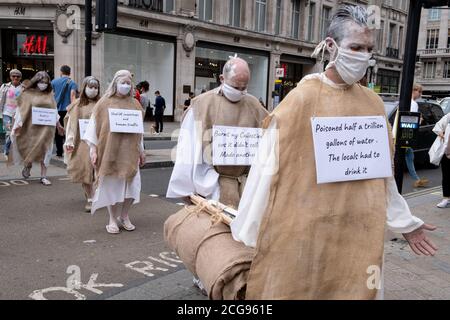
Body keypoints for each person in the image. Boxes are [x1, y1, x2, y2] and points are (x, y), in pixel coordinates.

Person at [230, 4, 437, 300]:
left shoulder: (373, 105)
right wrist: (251, 231)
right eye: (355, 46)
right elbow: (266, 173)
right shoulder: (299, 101)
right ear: (331, 46)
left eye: (368, 48)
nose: (363, 55)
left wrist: (406, 224)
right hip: (304, 237)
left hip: (358, 236)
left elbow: (383, 179)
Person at [166, 57, 269, 297]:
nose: (240, 91)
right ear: (222, 79)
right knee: (211, 234)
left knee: (243, 236)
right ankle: (203, 274)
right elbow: (188, 150)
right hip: (211, 180)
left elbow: (269, 142)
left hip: (245, 183)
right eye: (236, 85)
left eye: (245, 87)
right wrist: (189, 188)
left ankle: (237, 276)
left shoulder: (254, 105)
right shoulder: (202, 105)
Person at [83, 70, 146, 234]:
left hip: (130, 151)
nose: (125, 85)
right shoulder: (104, 103)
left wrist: (142, 151)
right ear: (115, 83)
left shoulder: (135, 105)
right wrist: (93, 149)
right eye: (122, 82)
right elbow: (93, 127)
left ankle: (124, 215)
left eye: (128, 83)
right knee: (112, 186)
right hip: (109, 150)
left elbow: (139, 131)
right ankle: (112, 218)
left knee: (132, 186)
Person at [11, 71, 63, 186]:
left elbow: (54, 111)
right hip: (32, 128)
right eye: (41, 82)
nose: (43, 84)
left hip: (47, 129)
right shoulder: (28, 94)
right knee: (32, 150)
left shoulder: (50, 95)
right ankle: (28, 165)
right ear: (36, 81)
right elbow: (22, 110)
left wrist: (58, 125)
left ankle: (43, 176)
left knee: (46, 151)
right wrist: (18, 124)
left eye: (45, 82)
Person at [64, 76, 101, 212]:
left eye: (96, 87)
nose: (93, 90)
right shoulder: (77, 104)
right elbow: (71, 124)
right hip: (82, 142)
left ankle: (96, 194)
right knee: (86, 169)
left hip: (99, 142)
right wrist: (70, 140)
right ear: (84, 87)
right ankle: (90, 197)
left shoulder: (102, 103)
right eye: (90, 87)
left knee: (98, 170)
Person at [51, 65, 78, 157]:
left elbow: (50, 95)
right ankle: (68, 152)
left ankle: (59, 152)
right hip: (67, 110)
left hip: (56, 110)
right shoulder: (72, 83)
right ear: (69, 73)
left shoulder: (53, 82)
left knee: (58, 131)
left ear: (61, 72)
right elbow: (72, 96)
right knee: (68, 130)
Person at [406, 84, 429, 188]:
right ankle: (417, 180)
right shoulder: (413, 104)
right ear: (414, 91)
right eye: (419, 92)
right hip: (407, 134)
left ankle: (417, 180)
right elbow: (411, 120)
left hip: (400, 133)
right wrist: (419, 120)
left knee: (409, 156)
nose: (420, 94)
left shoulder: (405, 101)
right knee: (407, 156)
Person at [0, 69, 23, 160]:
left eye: (17, 76)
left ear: (20, 77)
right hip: (7, 113)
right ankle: (7, 151)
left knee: (17, 134)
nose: (15, 78)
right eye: (13, 76)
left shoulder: (23, 88)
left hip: (19, 115)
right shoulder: (5, 87)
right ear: (10, 77)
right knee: (9, 133)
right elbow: (0, 100)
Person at [432, 111, 450, 208]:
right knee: (446, 176)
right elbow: (438, 126)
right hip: (446, 152)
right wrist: (440, 132)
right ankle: (446, 198)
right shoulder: (449, 116)